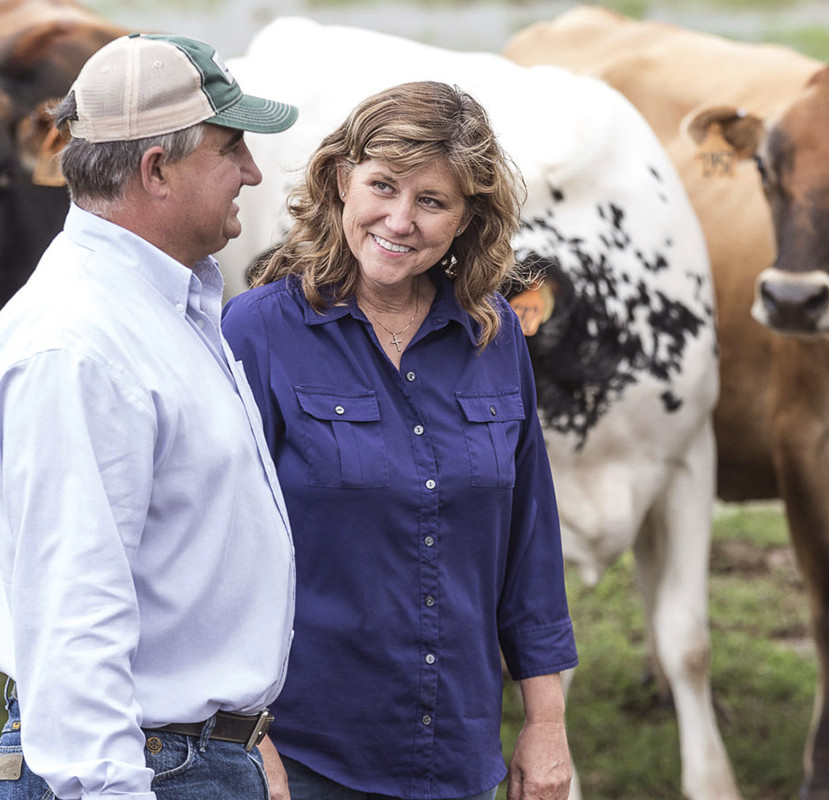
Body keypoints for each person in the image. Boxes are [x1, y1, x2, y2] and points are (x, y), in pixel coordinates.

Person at [221, 80, 578, 800]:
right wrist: (248, 741)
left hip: (458, 755)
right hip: (308, 756)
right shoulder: (258, 330)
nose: (400, 220)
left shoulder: (495, 334)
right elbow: (219, 554)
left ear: (466, 219)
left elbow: (529, 546)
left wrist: (547, 722)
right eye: (382, 186)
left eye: (432, 201)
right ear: (341, 181)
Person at [0, 32, 300, 800]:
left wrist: (244, 728)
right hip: (144, 770)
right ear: (156, 169)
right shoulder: (81, 344)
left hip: (188, 755)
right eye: (231, 148)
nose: (253, 172)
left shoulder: (163, 303)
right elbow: (74, 611)